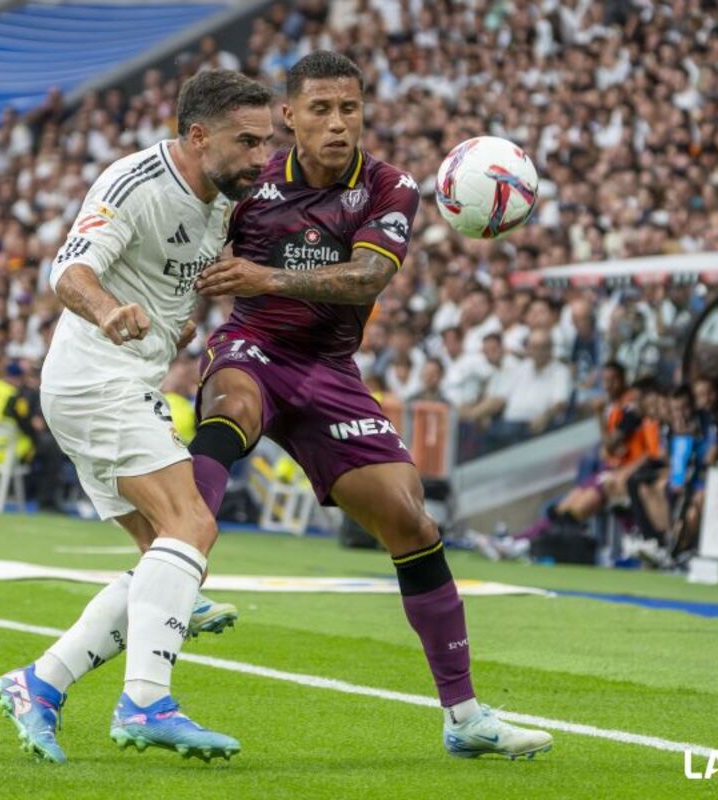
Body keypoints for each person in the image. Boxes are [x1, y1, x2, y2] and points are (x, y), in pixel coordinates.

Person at [192, 52, 551, 759]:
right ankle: (177, 565)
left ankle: (465, 718)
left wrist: (265, 273)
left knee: (411, 522)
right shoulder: (248, 181)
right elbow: (198, 260)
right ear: (288, 116)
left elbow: (364, 280)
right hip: (253, 345)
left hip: (328, 371)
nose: (337, 124)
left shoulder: (391, 187)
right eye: (320, 109)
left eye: (349, 109)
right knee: (230, 407)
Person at [0, 69, 274, 764]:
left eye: (268, 142)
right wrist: (109, 310)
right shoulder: (134, 184)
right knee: (193, 526)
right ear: (198, 135)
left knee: (164, 559)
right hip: (98, 379)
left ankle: (40, 684)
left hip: (114, 380)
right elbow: (69, 271)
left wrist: (166, 329)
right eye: (248, 142)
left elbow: (169, 276)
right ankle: (147, 700)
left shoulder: (221, 197)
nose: (262, 158)